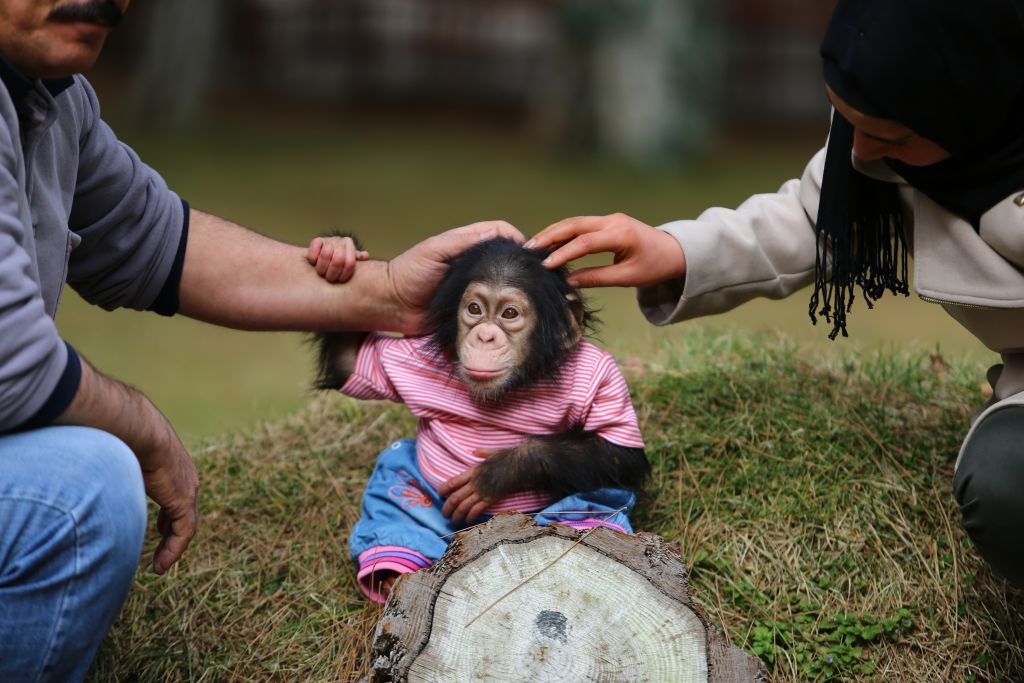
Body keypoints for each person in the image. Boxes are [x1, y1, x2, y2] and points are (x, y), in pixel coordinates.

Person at [0, 2, 522, 681]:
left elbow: (156, 240)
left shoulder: (51, 95)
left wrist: (386, 292)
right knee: (80, 494)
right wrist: (148, 432)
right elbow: (11, 362)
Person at [528, 0, 1024, 588]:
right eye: (848, 121)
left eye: (891, 135)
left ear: (976, 102)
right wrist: (676, 251)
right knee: (1004, 481)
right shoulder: (907, 123)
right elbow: (813, 218)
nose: (859, 153)